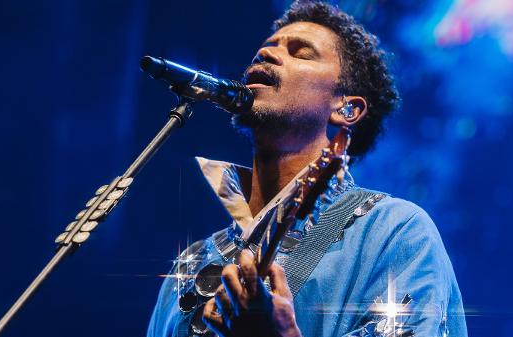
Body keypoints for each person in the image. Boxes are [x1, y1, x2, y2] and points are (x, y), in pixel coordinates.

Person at [147, 1, 467, 336]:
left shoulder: (395, 230)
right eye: (266, 48)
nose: (265, 55)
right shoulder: (192, 261)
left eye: (301, 52)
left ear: (346, 109)